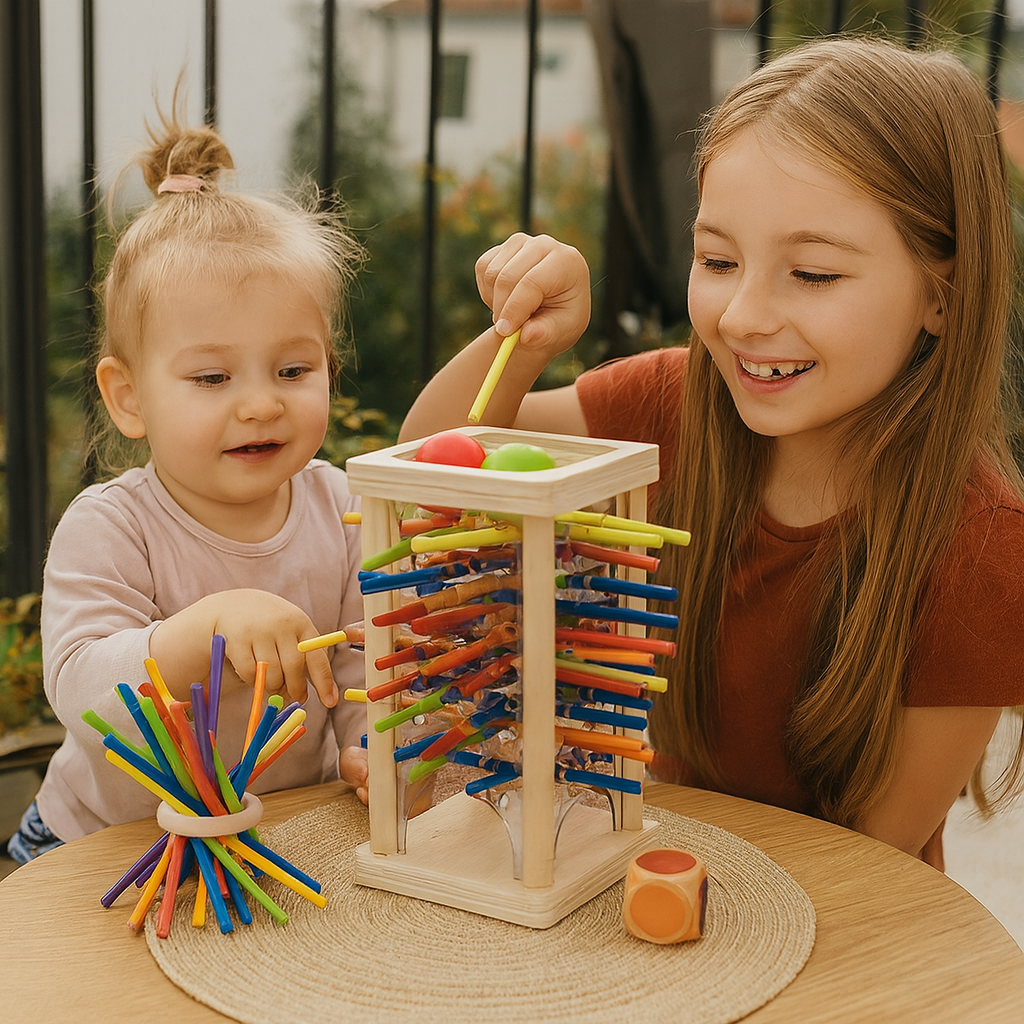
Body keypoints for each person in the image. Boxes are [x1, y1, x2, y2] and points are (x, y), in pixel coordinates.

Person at [399, 36, 1024, 869]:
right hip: (631, 886)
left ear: (940, 294)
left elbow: (869, 857)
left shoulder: (985, 550)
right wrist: (524, 343)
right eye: (717, 260)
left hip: (839, 939)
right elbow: (424, 467)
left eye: (813, 274)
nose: (742, 317)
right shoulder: (671, 404)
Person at [7, 106, 372, 863]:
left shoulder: (341, 507)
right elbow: (80, 693)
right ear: (128, 396)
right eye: (212, 376)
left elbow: (360, 666)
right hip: (101, 845)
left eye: (294, 369)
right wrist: (200, 630)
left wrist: (370, 750)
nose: (261, 402)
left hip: (274, 836)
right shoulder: (111, 527)